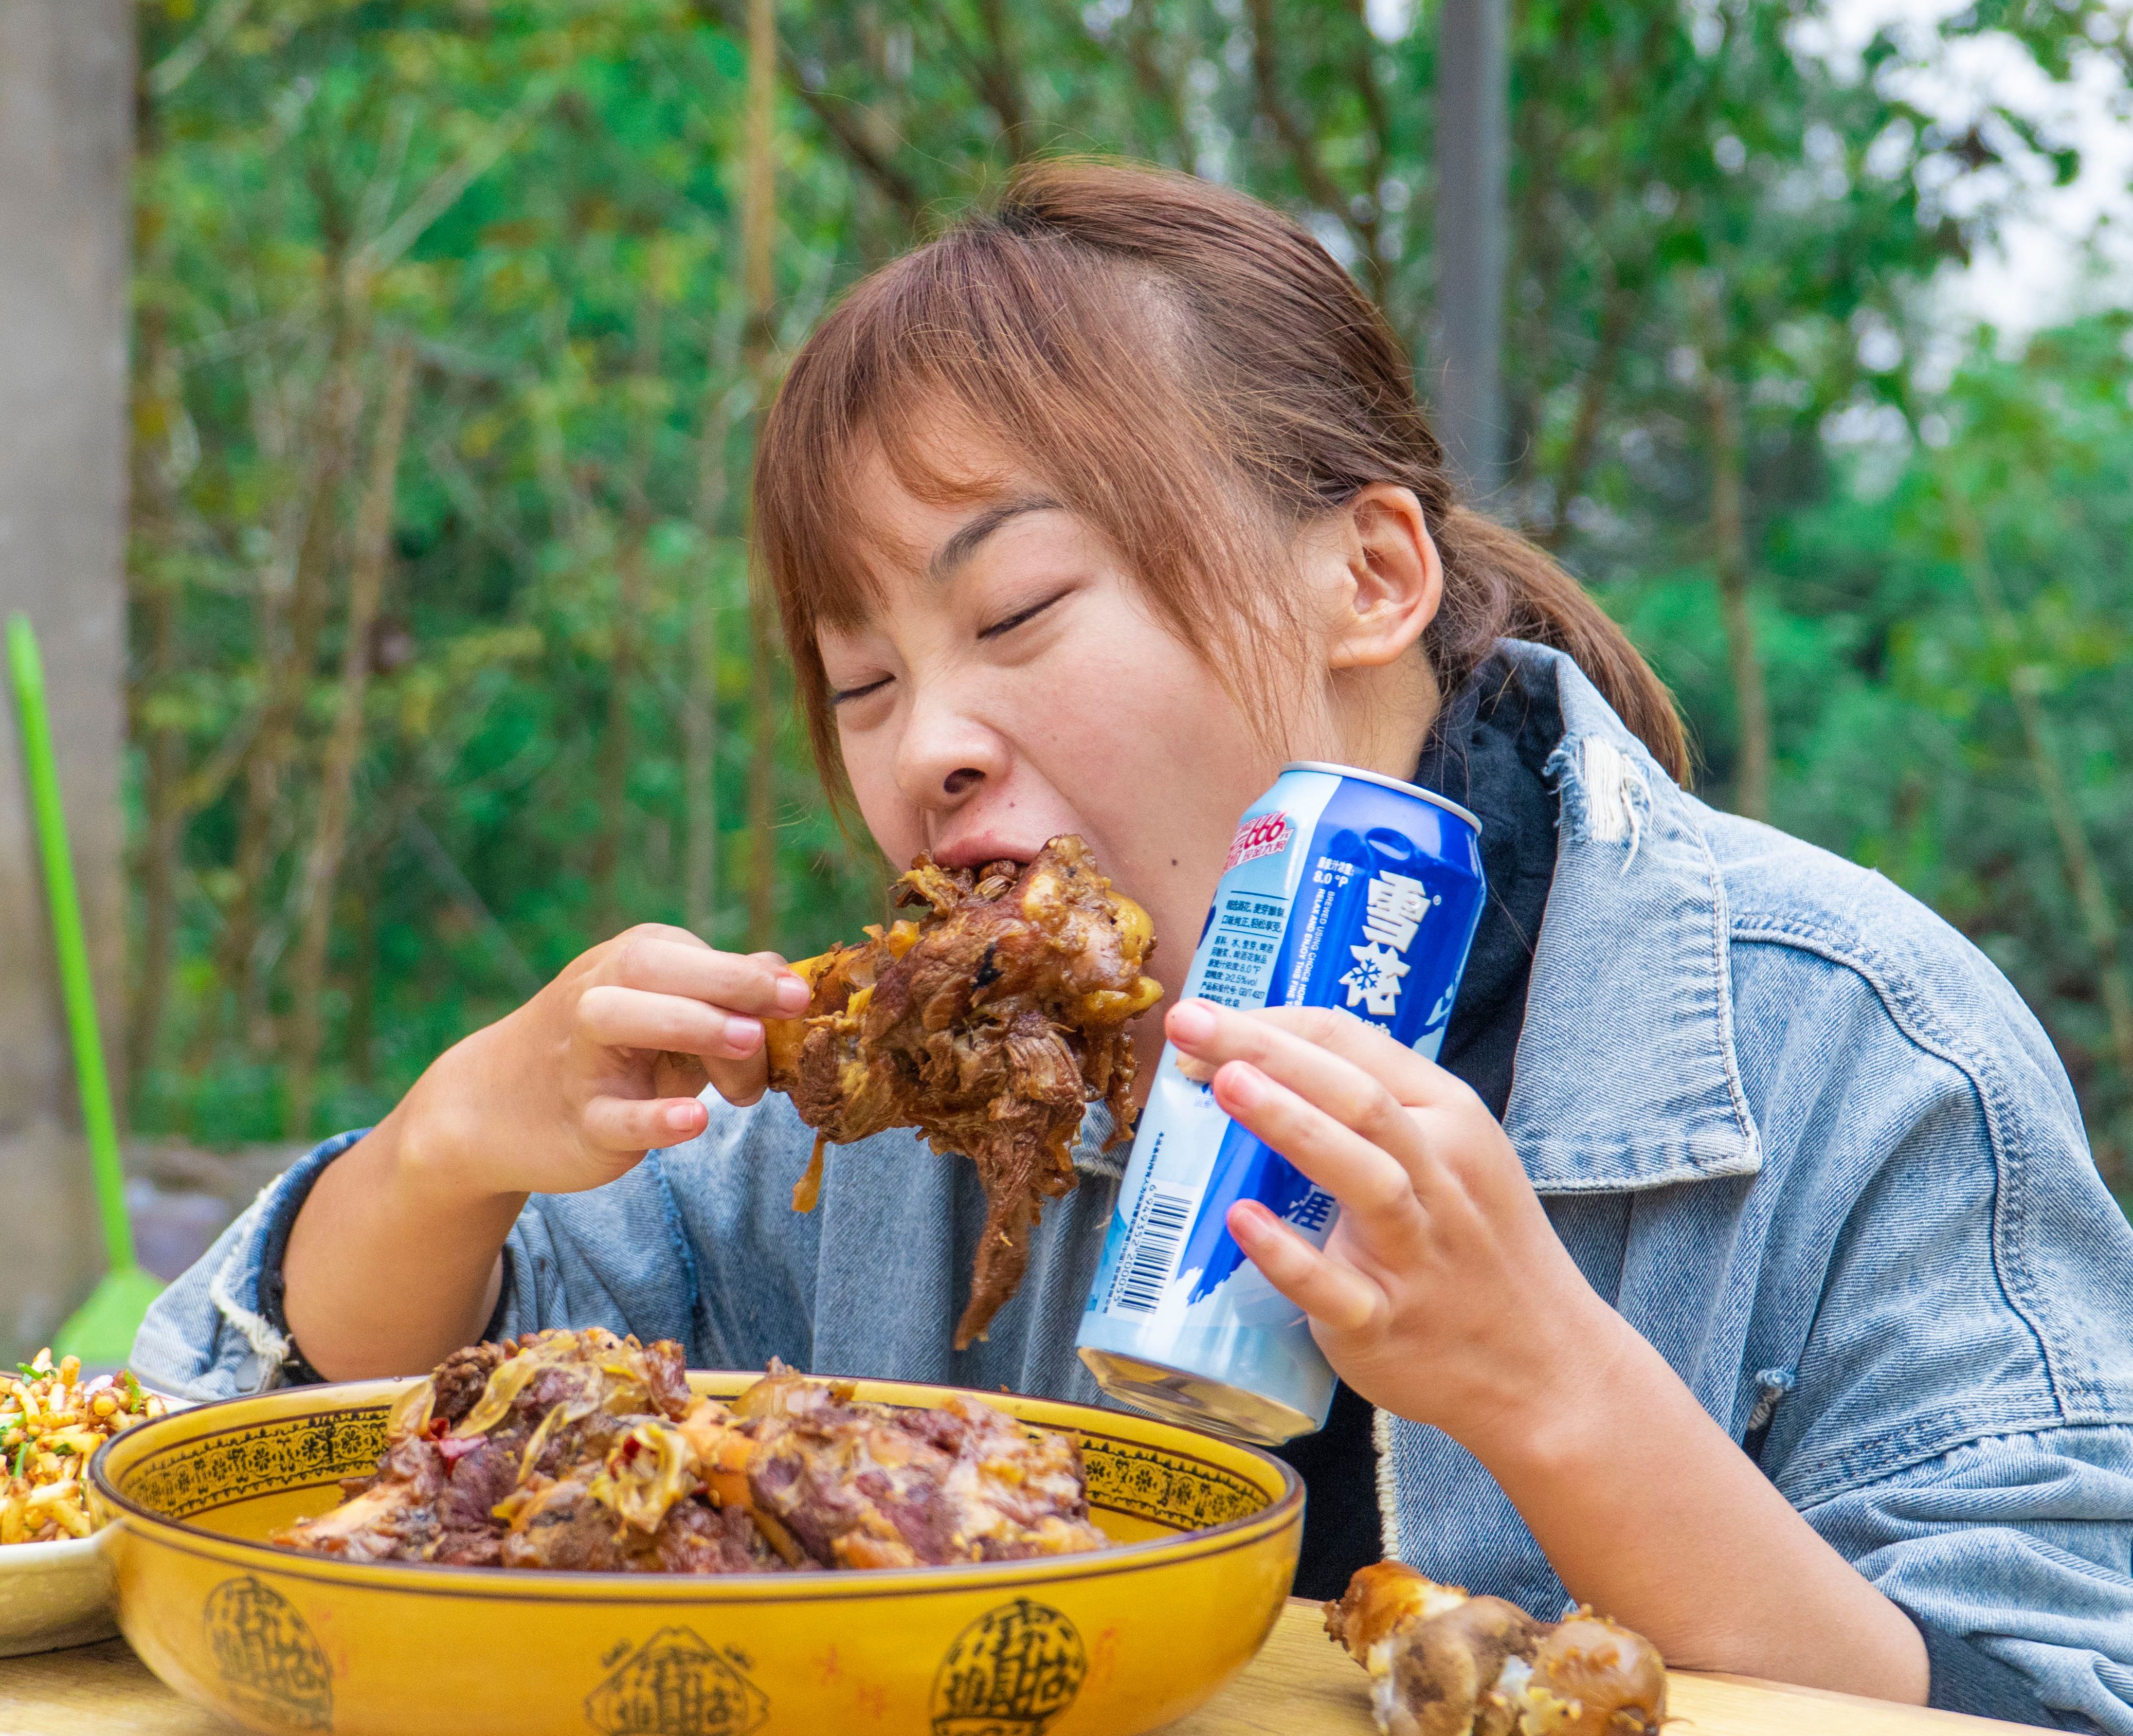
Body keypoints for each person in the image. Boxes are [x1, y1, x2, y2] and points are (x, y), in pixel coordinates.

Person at [135, 161, 2133, 1728]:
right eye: (856, 683)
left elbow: (2036, 1693)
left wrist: (1551, 1393)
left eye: (1010, 618)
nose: (929, 746)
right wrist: (448, 1150)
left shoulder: (1858, 1051)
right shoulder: (908, 1107)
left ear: (1369, 569)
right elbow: (296, 1452)